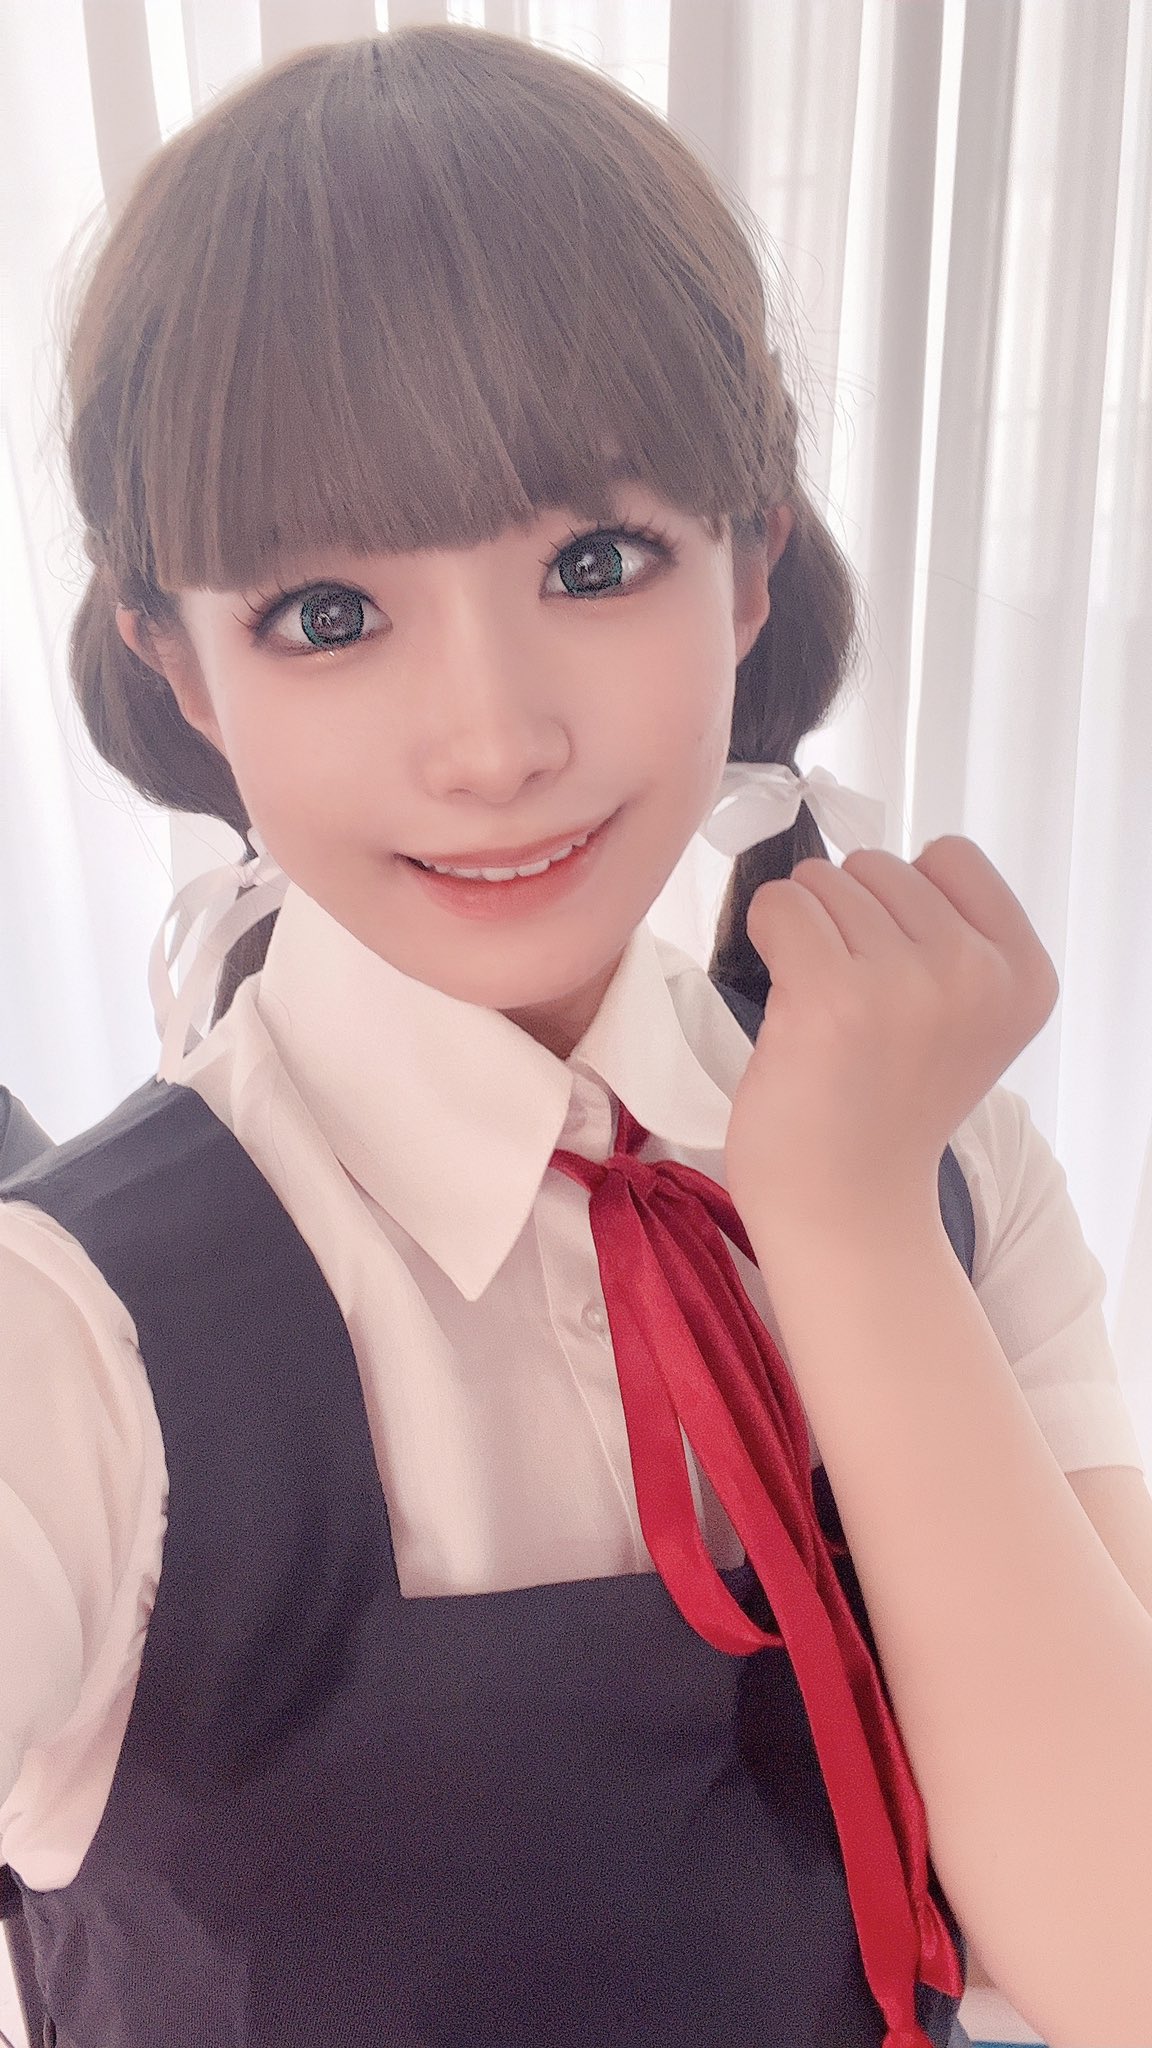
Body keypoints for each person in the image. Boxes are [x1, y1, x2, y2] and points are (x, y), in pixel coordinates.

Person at [1, 24, 1148, 2048]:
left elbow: (1120, 1959)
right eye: (328, 614)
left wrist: (849, 1227)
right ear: (173, 661)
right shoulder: (69, 1333)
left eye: (595, 562)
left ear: (749, 562)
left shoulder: (943, 1162)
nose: (496, 741)